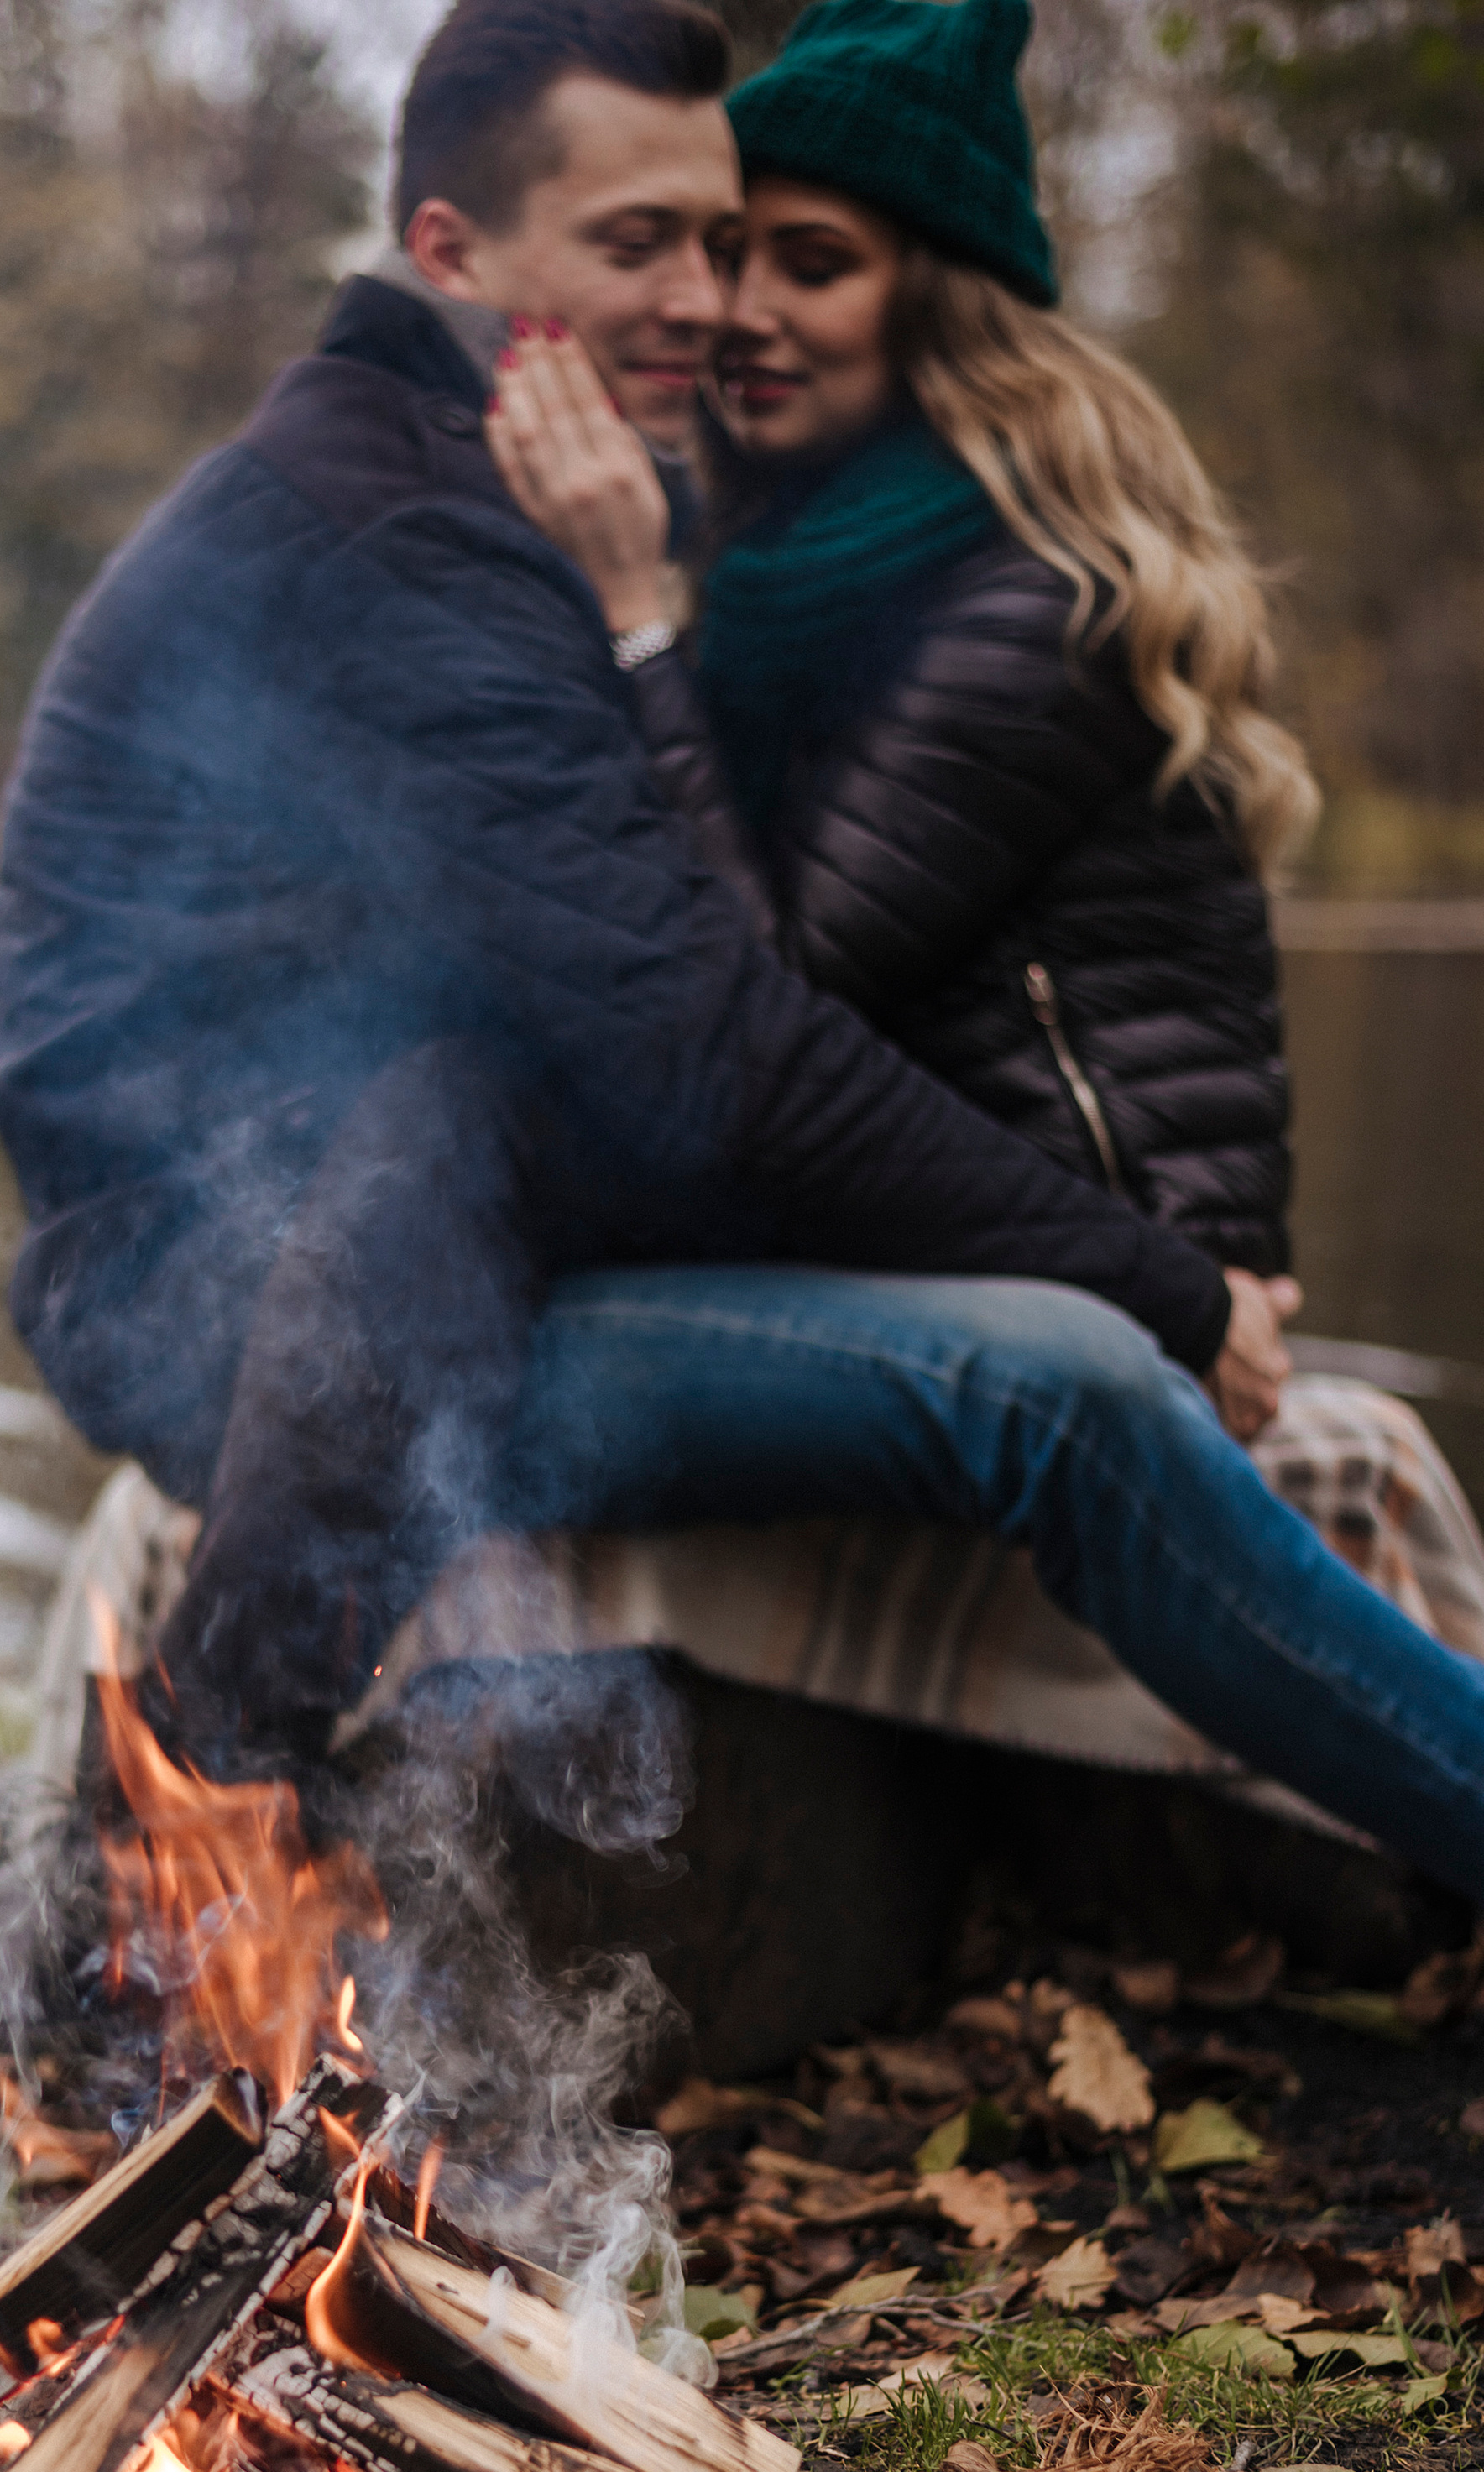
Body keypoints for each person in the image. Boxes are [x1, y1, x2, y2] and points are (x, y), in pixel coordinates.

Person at [0, 0, 1484, 2057]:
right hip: (274, 1321)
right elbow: (713, 1049)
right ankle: (139, 1874)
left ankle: (128, 1854)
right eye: (641, 246)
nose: (701, 300)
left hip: (428, 1264)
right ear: (449, 251)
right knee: (1064, 1384)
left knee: (1049, 1378)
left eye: (730, 239)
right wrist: (1151, 1274)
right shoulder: (418, 528)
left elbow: (668, 1028)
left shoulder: (522, 487)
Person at [484, 0, 1484, 1671]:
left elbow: (761, 1001)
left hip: (1096, 1303)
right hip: (914, 1248)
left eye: (809, 264)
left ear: (932, 300)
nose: (737, 312)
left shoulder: (1030, 608)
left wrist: (634, 623)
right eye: (725, 256)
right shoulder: (787, 570)